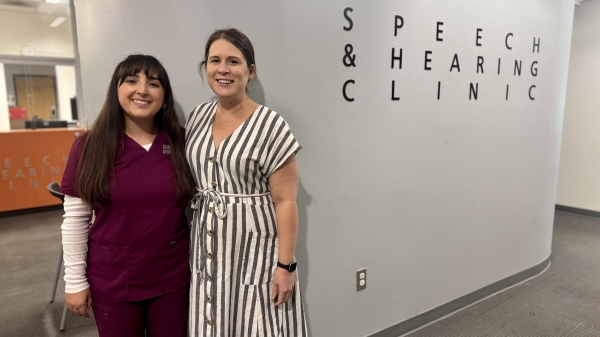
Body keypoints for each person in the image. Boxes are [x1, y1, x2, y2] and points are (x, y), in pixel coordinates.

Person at [60, 54, 195, 336]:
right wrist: (74, 281)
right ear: (116, 90)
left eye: (153, 83)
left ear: (164, 95)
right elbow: (75, 220)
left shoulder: (182, 142)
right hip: (113, 280)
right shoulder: (90, 146)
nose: (142, 90)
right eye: (131, 80)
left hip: (172, 278)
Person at [185, 28, 307, 336]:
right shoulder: (197, 117)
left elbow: (286, 201)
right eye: (215, 60)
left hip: (255, 249)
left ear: (250, 71)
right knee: (210, 316)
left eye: (233, 61)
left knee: (257, 323)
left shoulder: (271, 125)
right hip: (206, 243)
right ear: (206, 68)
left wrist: (286, 266)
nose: (223, 69)